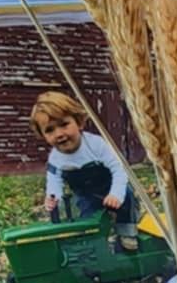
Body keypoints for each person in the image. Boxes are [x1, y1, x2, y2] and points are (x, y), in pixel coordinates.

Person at [31, 90, 138, 250]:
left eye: (64, 124)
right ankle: (96, 245)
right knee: (86, 217)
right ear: (43, 136)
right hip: (87, 194)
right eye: (50, 130)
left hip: (109, 185)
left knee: (127, 201)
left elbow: (118, 169)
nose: (59, 134)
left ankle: (127, 233)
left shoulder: (96, 145)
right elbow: (54, 181)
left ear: (79, 122)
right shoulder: (55, 159)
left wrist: (116, 193)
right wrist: (53, 198)